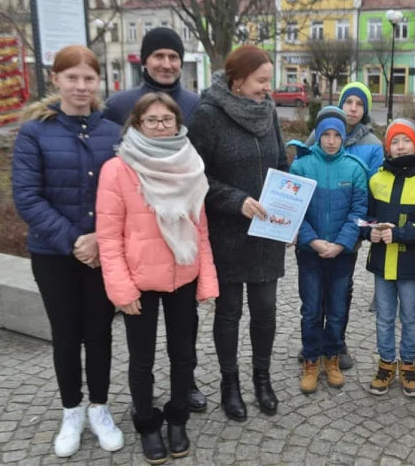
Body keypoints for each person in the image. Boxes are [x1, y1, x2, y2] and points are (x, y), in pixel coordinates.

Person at [11, 45, 124, 458]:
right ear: (55, 78)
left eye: (88, 78)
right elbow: (27, 198)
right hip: (54, 254)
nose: (80, 86)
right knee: (66, 334)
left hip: (102, 252)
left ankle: (100, 407)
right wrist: (76, 240)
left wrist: (100, 239)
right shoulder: (34, 132)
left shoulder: (112, 131)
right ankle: (71, 410)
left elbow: (124, 195)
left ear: (99, 82)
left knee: (98, 332)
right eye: (72, 77)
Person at [96, 92, 218, 463]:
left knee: (183, 355)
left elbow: (200, 229)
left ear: (178, 123)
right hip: (139, 281)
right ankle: (147, 423)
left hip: (183, 274)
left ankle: (177, 417)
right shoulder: (117, 169)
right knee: (142, 360)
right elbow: (108, 237)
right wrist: (120, 289)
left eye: (167, 119)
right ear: (137, 123)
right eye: (152, 120)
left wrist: (207, 279)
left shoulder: (190, 162)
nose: (161, 126)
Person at [103, 26, 208, 413]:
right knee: (141, 337)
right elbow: (110, 170)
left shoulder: (195, 105)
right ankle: (142, 399)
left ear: (182, 62)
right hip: (141, 241)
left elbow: (203, 163)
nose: (166, 63)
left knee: (185, 331)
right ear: (144, 60)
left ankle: (188, 383)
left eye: (174, 56)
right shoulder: (119, 105)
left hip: (183, 236)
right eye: (159, 56)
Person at [187, 45, 288, 422]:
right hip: (227, 233)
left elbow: (280, 163)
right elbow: (195, 177)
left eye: (268, 80)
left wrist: (290, 208)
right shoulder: (208, 116)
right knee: (229, 312)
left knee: (265, 311)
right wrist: (235, 200)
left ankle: (261, 379)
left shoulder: (269, 112)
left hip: (266, 233)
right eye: (262, 80)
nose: (268, 87)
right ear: (237, 80)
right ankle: (230, 384)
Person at [299, 82, 383, 370]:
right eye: (349, 102)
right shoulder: (310, 150)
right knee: (312, 302)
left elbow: (367, 198)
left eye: (360, 104)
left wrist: (352, 236)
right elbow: (298, 199)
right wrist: (309, 238)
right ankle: (312, 348)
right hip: (313, 240)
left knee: (339, 296)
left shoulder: (369, 148)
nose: (353, 108)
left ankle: (336, 346)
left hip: (348, 234)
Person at [287, 107, 368, 394]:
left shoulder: (355, 169)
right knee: (310, 309)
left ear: (344, 138)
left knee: (336, 309)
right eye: (326, 135)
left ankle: (331, 358)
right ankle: (311, 359)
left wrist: (341, 244)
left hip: (341, 255)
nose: (331, 141)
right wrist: (313, 241)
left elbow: (359, 210)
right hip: (310, 253)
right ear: (318, 136)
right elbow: (296, 211)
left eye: (337, 135)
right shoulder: (302, 167)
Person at [364, 118, 415, 398]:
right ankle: (386, 364)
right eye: (394, 141)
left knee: (410, 318)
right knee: (384, 317)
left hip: (412, 265)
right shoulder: (376, 178)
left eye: (405, 140)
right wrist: (369, 233)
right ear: (388, 147)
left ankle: (408, 365)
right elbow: (368, 217)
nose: (400, 146)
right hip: (382, 263)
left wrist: (400, 233)